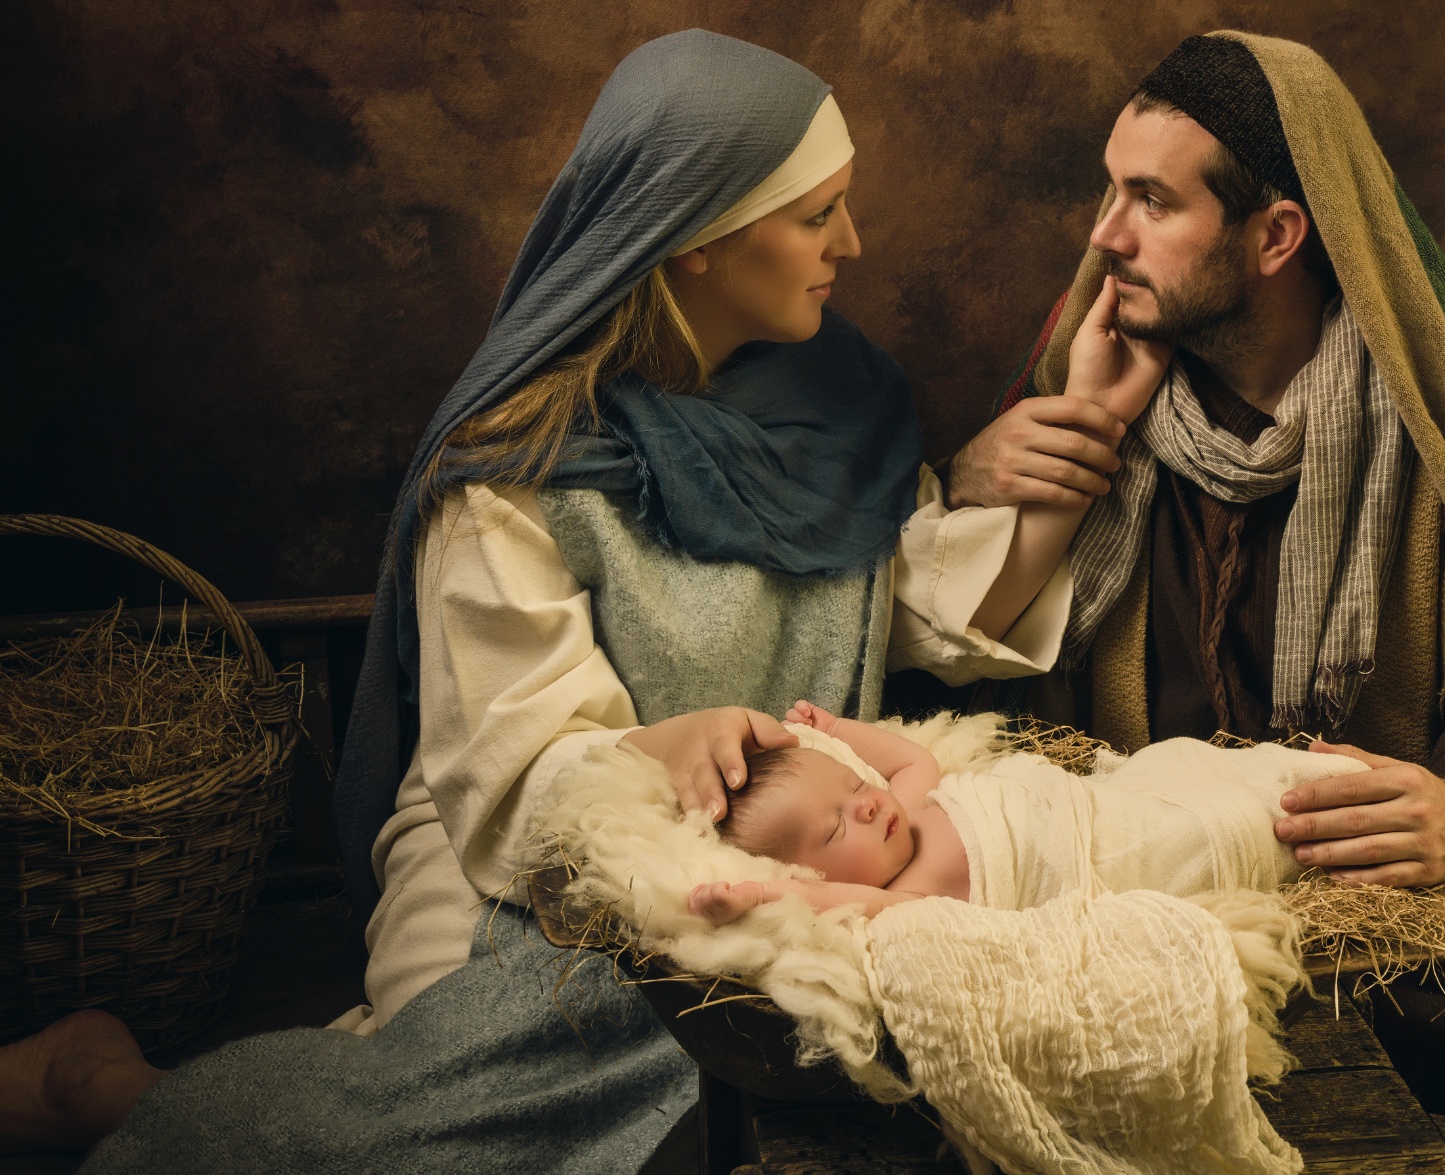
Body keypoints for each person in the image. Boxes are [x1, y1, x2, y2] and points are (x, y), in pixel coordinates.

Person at [0, 29, 1147, 1170]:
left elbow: (902, 606)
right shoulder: (515, 471)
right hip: (531, 871)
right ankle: (114, 1091)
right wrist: (661, 749)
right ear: (696, 242)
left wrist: (1085, 426)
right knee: (627, 1063)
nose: (850, 242)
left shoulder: (829, 407)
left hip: (792, 850)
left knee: (874, 1007)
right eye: (816, 215)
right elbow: (515, 754)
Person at [924, 31, 1445, 1173]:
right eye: (1108, 189)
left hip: (1353, 904)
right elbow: (951, 656)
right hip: (1123, 881)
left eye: (1151, 201)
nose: (1104, 234)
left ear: (1276, 235)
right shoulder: (1088, 396)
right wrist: (996, 472)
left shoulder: (1427, 433)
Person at [687, 699, 1366, 924]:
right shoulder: (903, 897)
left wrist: (836, 729)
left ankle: (1319, 770)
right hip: (1104, 857)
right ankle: (1323, 798)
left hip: (1095, 804)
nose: (865, 804)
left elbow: (907, 760)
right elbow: (837, 905)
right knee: (1216, 829)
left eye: (851, 786)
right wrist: (754, 896)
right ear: (808, 873)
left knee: (1178, 762)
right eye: (836, 826)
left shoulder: (912, 806)